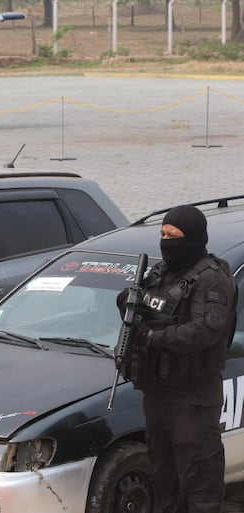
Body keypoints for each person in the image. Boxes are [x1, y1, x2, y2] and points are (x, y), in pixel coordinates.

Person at [120, 204, 237, 513]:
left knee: (199, 484)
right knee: (163, 478)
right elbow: (145, 308)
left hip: (193, 398)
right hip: (158, 394)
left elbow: (202, 332)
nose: (166, 240)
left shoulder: (212, 280)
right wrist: (128, 303)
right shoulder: (161, 272)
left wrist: (151, 337)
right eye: (162, 234)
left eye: (174, 235)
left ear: (195, 238)